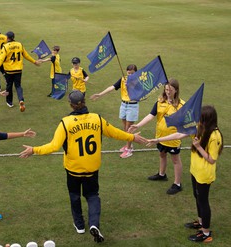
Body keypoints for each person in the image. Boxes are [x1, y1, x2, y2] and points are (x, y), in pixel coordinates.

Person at [19, 90, 147, 243]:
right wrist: (133, 137)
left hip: (73, 169)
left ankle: (79, 225)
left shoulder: (65, 123)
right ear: (85, 101)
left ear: (71, 105)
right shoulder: (97, 119)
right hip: (92, 168)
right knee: (92, 196)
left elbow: (53, 146)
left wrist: (33, 150)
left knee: (74, 196)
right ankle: (94, 223)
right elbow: (115, 133)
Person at [147, 105, 223, 243]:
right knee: (197, 197)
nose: (198, 120)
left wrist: (199, 147)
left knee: (203, 201)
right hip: (195, 170)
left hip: (204, 174)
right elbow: (180, 134)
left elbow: (212, 159)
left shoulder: (215, 135)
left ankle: (206, 233)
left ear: (208, 120)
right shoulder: (200, 128)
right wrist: (158, 140)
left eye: (201, 118)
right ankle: (200, 223)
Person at [128, 79, 185, 194]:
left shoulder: (181, 105)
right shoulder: (160, 101)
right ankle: (161, 174)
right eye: (166, 89)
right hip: (159, 136)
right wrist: (138, 125)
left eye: (171, 90)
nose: (168, 92)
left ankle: (177, 184)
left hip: (173, 139)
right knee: (162, 154)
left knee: (175, 160)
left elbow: (185, 123)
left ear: (176, 90)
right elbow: (151, 115)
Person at [89, 64, 138, 158]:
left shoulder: (138, 81)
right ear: (126, 72)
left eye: (132, 73)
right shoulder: (123, 79)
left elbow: (141, 92)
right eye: (129, 73)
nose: (130, 75)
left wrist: (131, 85)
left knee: (129, 128)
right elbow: (112, 87)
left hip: (132, 106)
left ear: (136, 73)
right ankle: (129, 144)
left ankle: (129, 150)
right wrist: (100, 94)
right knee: (125, 127)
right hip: (123, 105)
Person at [0, 31, 41, 112]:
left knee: (9, 86)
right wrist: (35, 62)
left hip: (9, 70)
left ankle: (9, 102)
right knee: (18, 86)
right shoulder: (19, 44)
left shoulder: (5, 47)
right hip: (18, 70)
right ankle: (21, 99)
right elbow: (26, 55)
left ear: (7, 38)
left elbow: (1, 60)